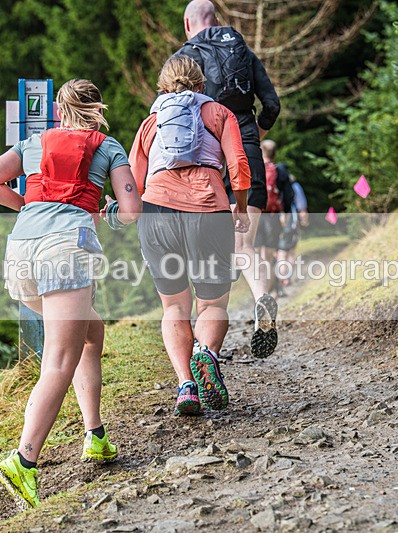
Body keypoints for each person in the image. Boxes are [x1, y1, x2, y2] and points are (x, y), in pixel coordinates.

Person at [0, 79, 141, 509]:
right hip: (66, 250)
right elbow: (131, 209)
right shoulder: (107, 146)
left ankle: (95, 435)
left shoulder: (34, 142)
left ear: (61, 109)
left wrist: (29, 208)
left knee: (90, 334)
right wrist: (107, 217)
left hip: (21, 253)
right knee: (59, 360)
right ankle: (23, 462)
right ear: (97, 108)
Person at [129, 55, 251, 415]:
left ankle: (186, 386)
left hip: (157, 213)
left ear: (163, 87)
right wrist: (240, 207)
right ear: (201, 85)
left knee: (174, 308)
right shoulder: (217, 113)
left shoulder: (150, 123)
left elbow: (135, 185)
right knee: (212, 304)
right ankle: (206, 353)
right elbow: (239, 166)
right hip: (207, 210)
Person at [175, 0, 282, 358]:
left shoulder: (185, 57)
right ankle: (263, 297)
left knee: (209, 258)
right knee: (242, 248)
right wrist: (252, 132)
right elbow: (272, 105)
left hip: (208, 166)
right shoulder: (243, 51)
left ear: (188, 23)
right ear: (217, 20)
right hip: (248, 156)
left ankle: (207, 347)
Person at [256, 139, 293, 298]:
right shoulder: (280, 170)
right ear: (274, 153)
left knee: (259, 255)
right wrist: (285, 212)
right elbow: (288, 195)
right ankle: (274, 289)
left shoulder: (254, 169)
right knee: (272, 254)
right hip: (273, 216)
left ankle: (262, 290)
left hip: (255, 216)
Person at [276, 170, 309, 294]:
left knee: (278, 251)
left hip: (274, 219)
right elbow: (302, 207)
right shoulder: (294, 186)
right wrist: (304, 221)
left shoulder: (274, 183)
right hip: (290, 221)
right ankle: (285, 277)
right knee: (288, 252)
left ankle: (279, 277)